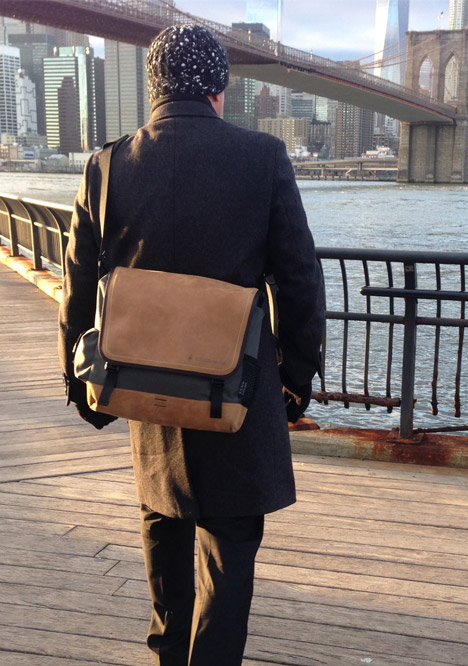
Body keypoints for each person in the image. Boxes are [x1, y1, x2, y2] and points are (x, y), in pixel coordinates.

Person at [58, 24, 325, 666]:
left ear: (153, 87)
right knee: (229, 551)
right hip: (238, 389)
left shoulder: (105, 165)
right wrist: (296, 376)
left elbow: (77, 289)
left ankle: (166, 654)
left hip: (146, 391)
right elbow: (298, 278)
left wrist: (83, 388)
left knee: (163, 520)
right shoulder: (262, 158)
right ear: (220, 88)